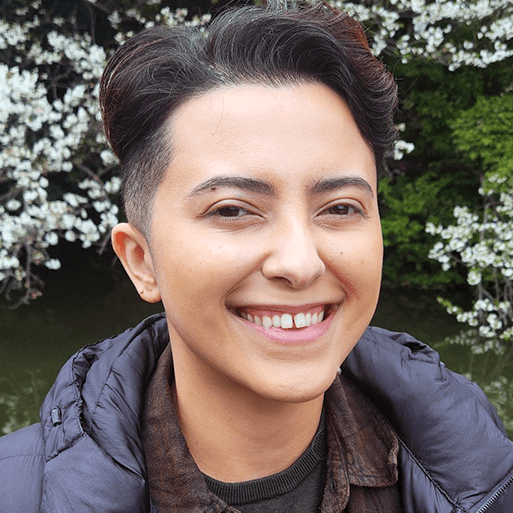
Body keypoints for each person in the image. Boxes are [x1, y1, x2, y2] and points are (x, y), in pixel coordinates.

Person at [1, 2, 512, 512]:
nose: (300, 263)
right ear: (141, 260)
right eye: (232, 210)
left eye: (340, 208)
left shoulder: (483, 478)